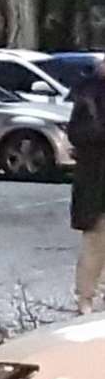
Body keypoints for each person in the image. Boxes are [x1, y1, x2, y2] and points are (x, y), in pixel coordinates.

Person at [71, 59, 105, 313]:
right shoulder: (89, 95)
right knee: (95, 240)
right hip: (96, 180)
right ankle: (86, 300)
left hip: (94, 177)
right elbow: (80, 134)